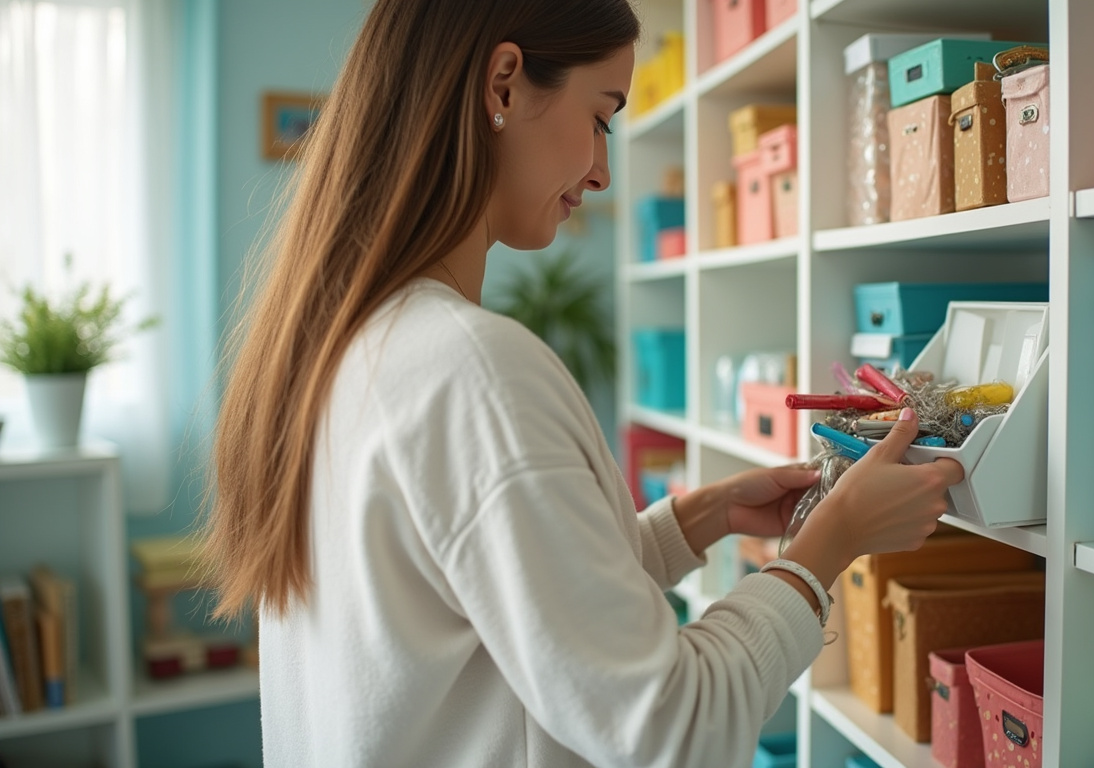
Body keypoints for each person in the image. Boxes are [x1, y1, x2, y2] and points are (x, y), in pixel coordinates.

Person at [201, 1, 965, 766]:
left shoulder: (346, 348)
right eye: (602, 117)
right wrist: (831, 543)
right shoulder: (471, 370)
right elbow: (672, 728)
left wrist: (698, 519)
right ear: (502, 84)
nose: (602, 171)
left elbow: (493, 596)